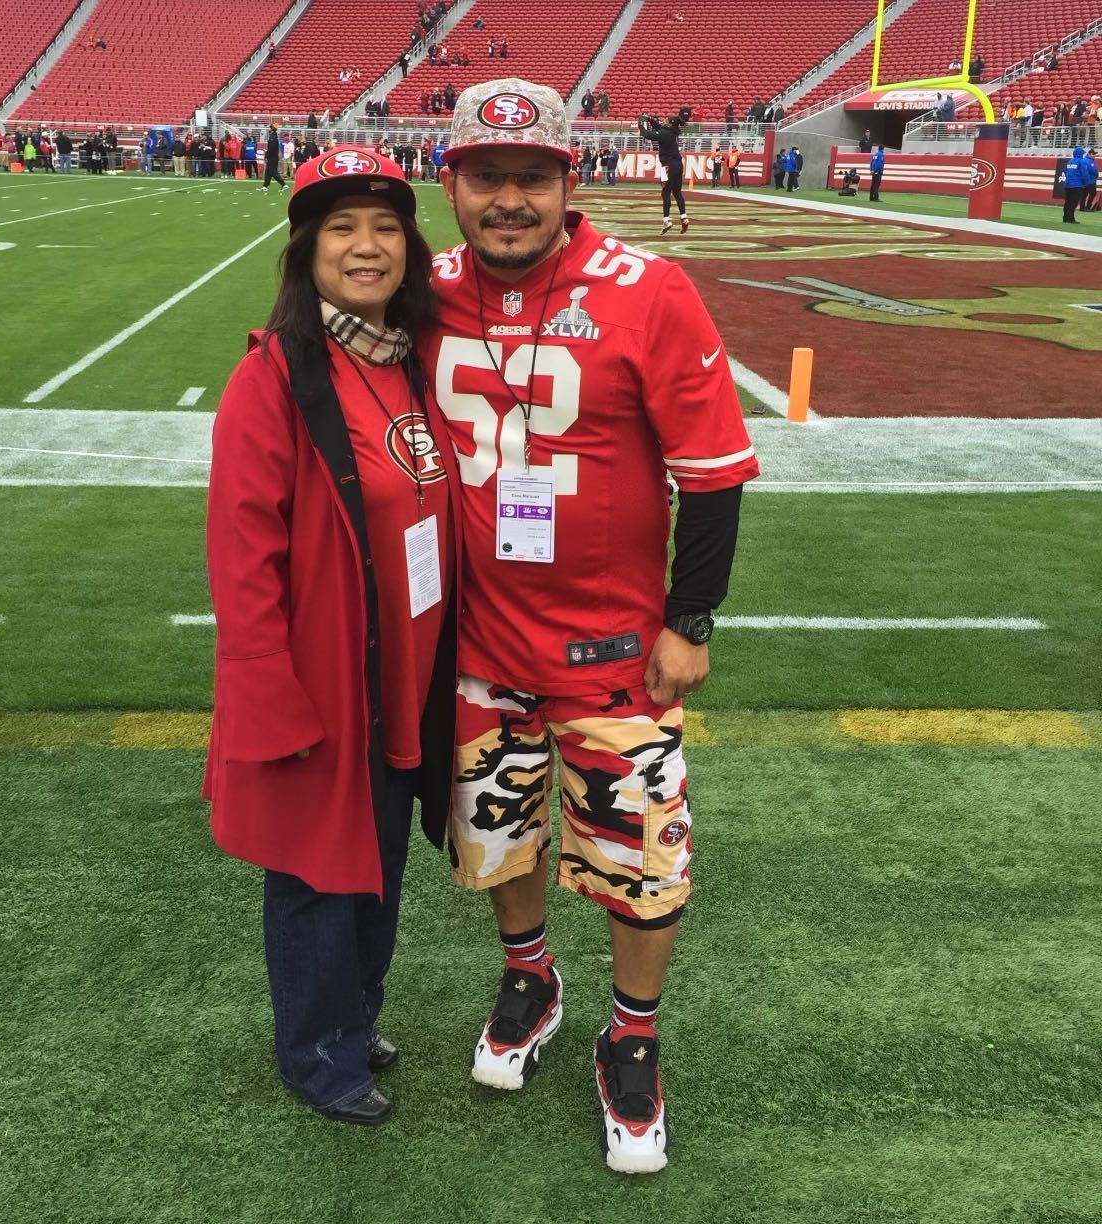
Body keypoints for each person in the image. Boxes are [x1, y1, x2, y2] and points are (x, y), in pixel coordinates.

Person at [422, 76, 759, 1176]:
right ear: (454, 183)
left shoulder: (649, 290)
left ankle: (634, 1033)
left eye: (530, 178)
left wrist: (690, 619)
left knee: (639, 859)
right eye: (486, 177)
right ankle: (532, 975)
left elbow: (712, 475)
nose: (507, 199)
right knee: (497, 837)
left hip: (615, 654)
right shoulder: (421, 295)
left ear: (571, 179)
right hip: (474, 644)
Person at [204, 147, 460, 1128]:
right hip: (320, 689)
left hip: (403, 680)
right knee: (317, 880)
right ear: (307, 250)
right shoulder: (272, 378)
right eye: (343, 229)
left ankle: (353, 1017)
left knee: (379, 867)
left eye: (386, 227)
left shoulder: (409, 363)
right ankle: (319, 1057)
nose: (367, 247)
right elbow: (243, 558)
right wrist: (273, 701)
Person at [638, 112, 688, 233]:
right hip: (678, 164)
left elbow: (648, 134)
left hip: (668, 165)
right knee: (677, 192)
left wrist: (640, 125)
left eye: (666, 120)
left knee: (665, 193)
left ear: (670, 124)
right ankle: (684, 218)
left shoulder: (665, 133)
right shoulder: (673, 132)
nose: (663, 121)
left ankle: (666, 220)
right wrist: (650, 119)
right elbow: (659, 128)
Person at [1062, 146, 1092, 223]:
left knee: (1067, 202)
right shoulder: (1081, 162)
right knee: (1073, 203)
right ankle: (1071, 219)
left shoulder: (1070, 161)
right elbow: (1085, 174)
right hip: (1077, 185)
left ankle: (1065, 218)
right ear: (1081, 153)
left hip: (1068, 185)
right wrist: (1087, 182)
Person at [260, 123, 287, 192]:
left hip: (272, 158)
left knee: (273, 172)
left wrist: (267, 154)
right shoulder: (274, 136)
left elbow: (271, 150)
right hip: (273, 157)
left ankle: (284, 184)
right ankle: (265, 186)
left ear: (271, 129)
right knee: (268, 172)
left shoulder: (272, 137)